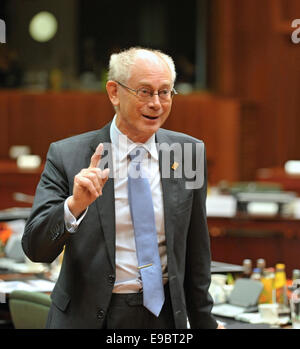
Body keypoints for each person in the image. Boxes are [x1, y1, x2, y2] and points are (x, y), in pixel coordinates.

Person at [22, 47, 219, 329]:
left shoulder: (187, 153)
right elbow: (35, 249)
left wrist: (204, 323)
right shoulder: (68, 156)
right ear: (114, 92)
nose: (156, 103)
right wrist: (74, 206)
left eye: (165, 92)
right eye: (144, 91)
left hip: (163, 317)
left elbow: (197, 252)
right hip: (90, 317)